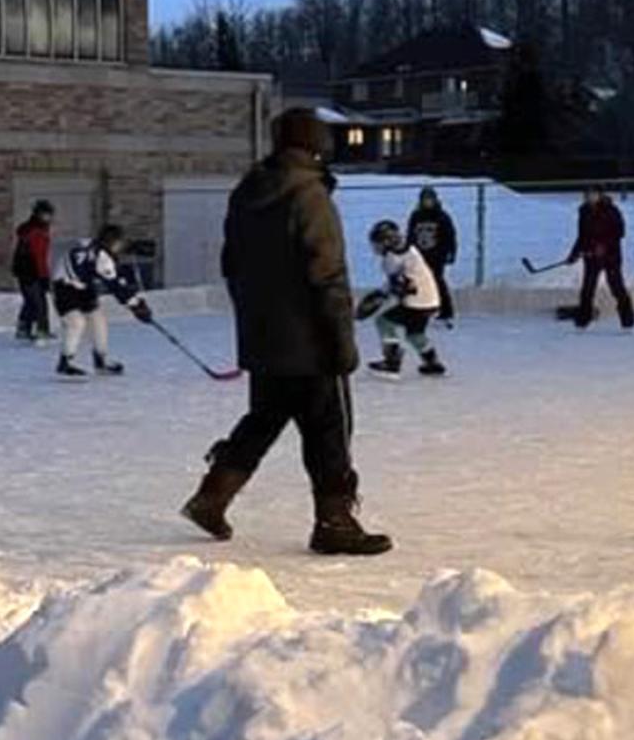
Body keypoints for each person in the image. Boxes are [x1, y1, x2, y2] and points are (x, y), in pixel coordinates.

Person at [179, 107, 392, 556]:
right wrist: (342, 343)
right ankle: (334, 521)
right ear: (317, 145)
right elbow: (327, 275)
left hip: (263, 337)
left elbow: (230, 266)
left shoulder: (246, 194)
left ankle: (211, 496)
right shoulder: (310, 196)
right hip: (311, 340)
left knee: (265, 418)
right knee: (328, 431)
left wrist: (257, 322)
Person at [52, 223, 151, 378]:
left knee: (98, 320)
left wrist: (135, 300)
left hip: (84, 285)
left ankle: (100, 362)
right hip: (63, 286)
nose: (120, 247)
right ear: (109, 242)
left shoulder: (95, 246)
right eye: (118, 243)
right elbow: (115, 286)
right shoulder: (103, 259)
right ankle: (65, 364)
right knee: (76, 322)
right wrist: (136, 305)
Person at [361, 219, 445, 378]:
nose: (376, 247)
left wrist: (381, 296)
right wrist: (384, 291)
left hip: (417, 302)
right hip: (431, 300)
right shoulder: (410, 250)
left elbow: (403, 286)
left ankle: (392, 362)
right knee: (414, 333)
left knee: (384, 322)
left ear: (387, 241)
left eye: (378, 242)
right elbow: (401, 281)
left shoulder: (392, 257)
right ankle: (432, 363)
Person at [569, 187, 634, 330]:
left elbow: (620, 232)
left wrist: (604, 246)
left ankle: (628, 321)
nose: (588, 198)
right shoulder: (584, 211)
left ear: (600, 195)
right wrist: (574, 254)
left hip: (611, 256)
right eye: (586, 195)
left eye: (592, 195)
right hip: (592, 257)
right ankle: (583, 321)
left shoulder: (611, 210)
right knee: (587, 289)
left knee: (617, 287)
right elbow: (582, 236)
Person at [405, 186, 458, 326]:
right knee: (417, 282)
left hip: (437, 254)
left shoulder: (442, 216)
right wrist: (408, 251)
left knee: (437, 281)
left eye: (430, 199)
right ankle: (418, 308)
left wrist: (451, 252)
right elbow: (410, 235)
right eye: (425, 200)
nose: (427, 202)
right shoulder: (416, 216)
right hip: (419, 255)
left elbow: (450, 235)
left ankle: (446, 310)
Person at [11, 199, 56, 344]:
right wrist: (44, 276)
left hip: (26, 270)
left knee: (30, 301)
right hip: (30, 271)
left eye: (49, 215)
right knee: (39, 302)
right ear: (37, 214)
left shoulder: (33, 230)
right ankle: (42, 330)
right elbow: (38, 256)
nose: (48, 218)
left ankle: (23, 328)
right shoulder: (35, 231)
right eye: (45, 215)